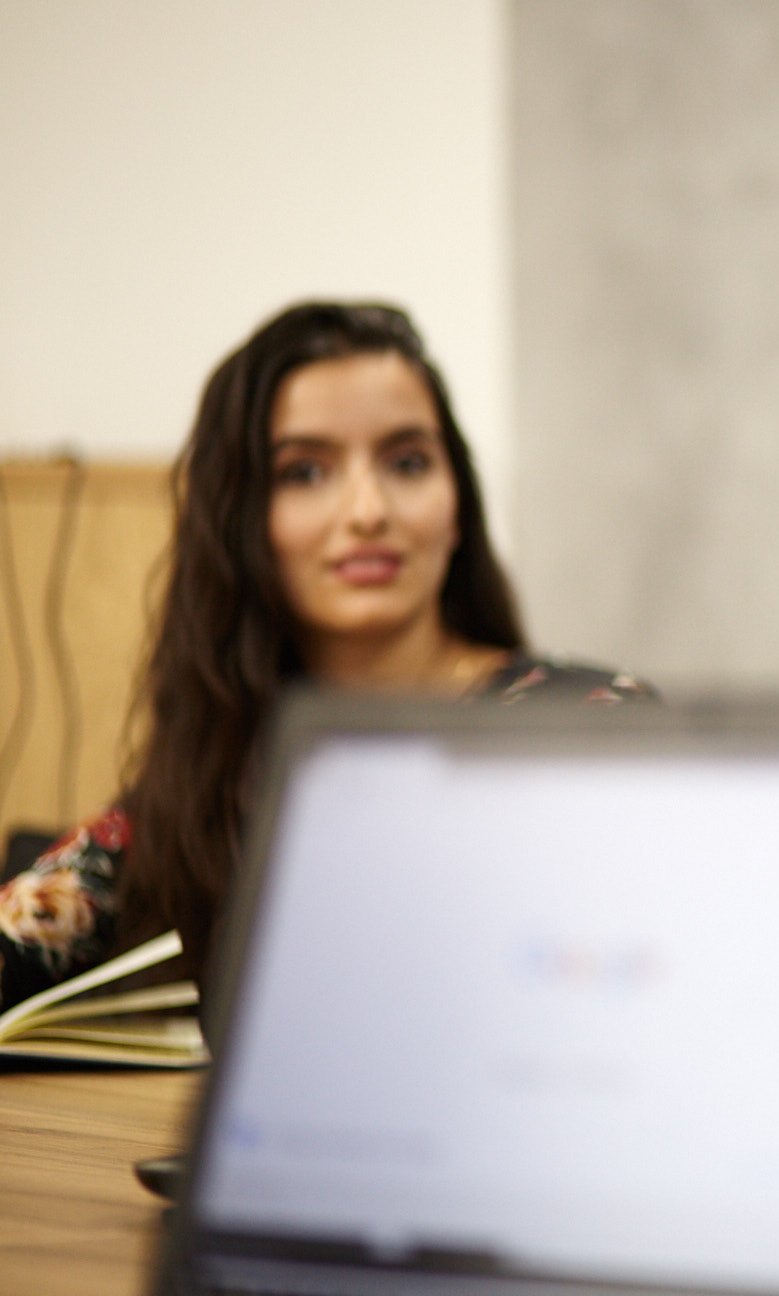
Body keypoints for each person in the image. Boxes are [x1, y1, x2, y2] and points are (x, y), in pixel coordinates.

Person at [0, 302, 652, 1010]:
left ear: (456, 502)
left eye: (407, 462)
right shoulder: (206, 777)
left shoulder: (587, 723)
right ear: (240, 522)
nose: (368, 509)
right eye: (305, 472)